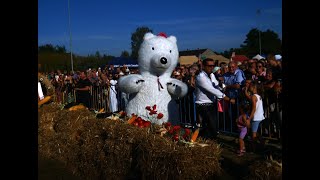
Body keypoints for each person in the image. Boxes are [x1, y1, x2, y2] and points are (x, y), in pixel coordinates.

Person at [195, 58, 235, 140]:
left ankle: (199, 139)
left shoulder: (211, 75)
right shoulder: (201, 77)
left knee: (212, 127)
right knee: (212, 128)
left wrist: (222, 87)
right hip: (203, 105)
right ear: (204, 66)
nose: (211, 67)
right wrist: (228, 99)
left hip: (211, 104)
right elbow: (212, 90)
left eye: (213, 65)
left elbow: (216, 86)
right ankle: (200, 140)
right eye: (209, 66)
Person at [247, 81, 265, 152]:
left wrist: (250, 118)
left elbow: (254, 108)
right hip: (260, 117)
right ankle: (262, 142)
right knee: (256, 132)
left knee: (253, 134)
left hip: (256, 117)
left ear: (254, 87)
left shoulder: (254, 96)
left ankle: (254, 149)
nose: (249, 87)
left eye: (250, 86)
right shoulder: (258, 96)